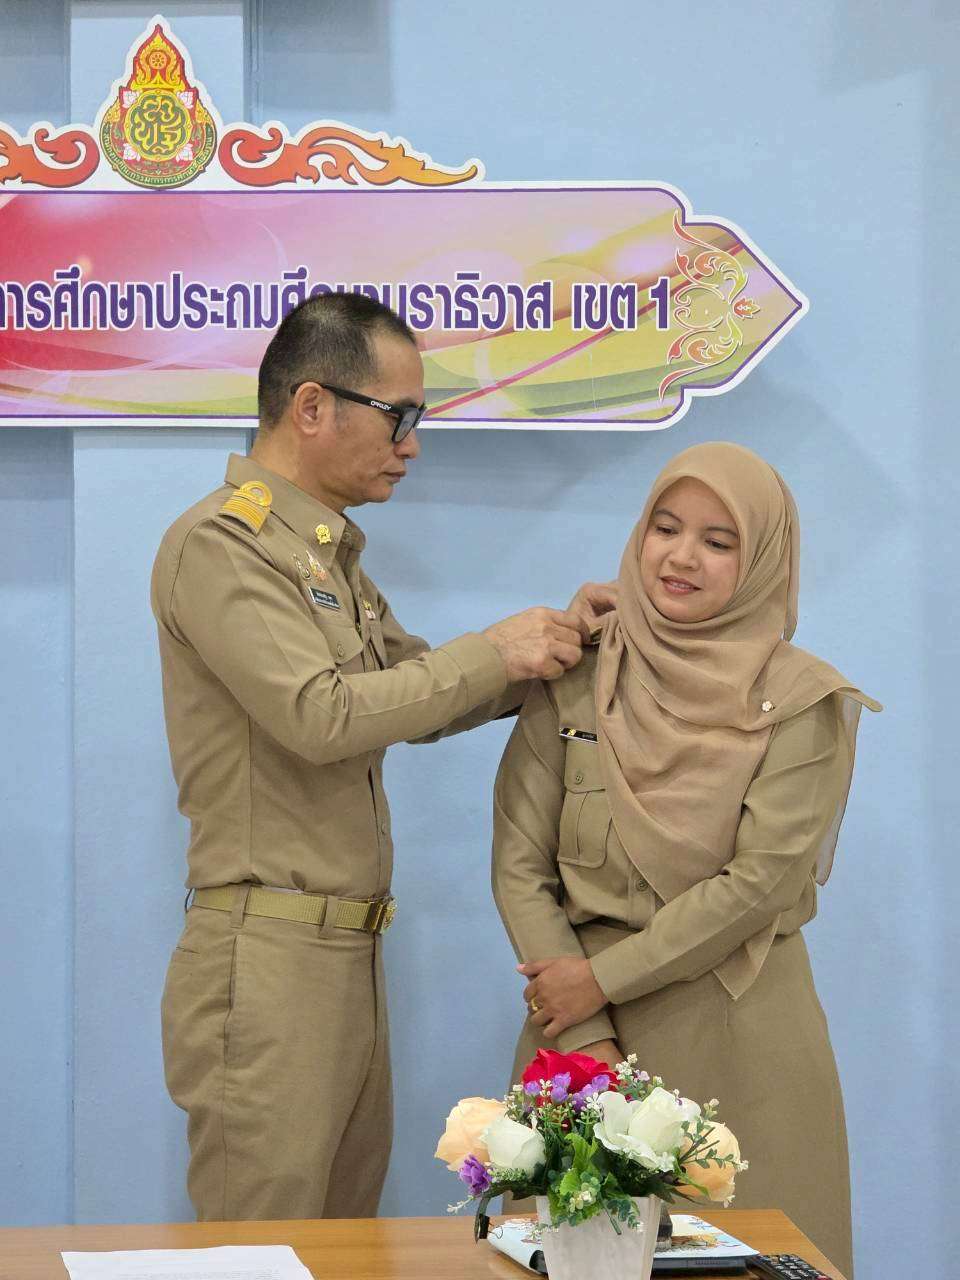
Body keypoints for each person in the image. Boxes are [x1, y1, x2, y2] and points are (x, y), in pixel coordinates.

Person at [152, 292, 613, 1222]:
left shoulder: (325, 559)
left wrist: (555, 652)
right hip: (268, 956)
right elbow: (321, 716)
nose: (412, 444)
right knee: (262, 1249)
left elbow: (415, 696)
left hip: (344, 953)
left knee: (342, 1245)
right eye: (398, 416)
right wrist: (495, 650)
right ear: (311, 407)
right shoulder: (223, 546)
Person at [492, 442, 879, 1279]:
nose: (681, 556)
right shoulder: (579, 674)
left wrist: (599, 981)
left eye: (718, 540)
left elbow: (759, 884)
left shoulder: (802, 702)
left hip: (738, 1036)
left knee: (750, 1264)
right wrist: (586, 1030)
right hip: (582, 1039)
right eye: (665, 528)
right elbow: (520, 864)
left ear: (763, 559)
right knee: (565, 1261)